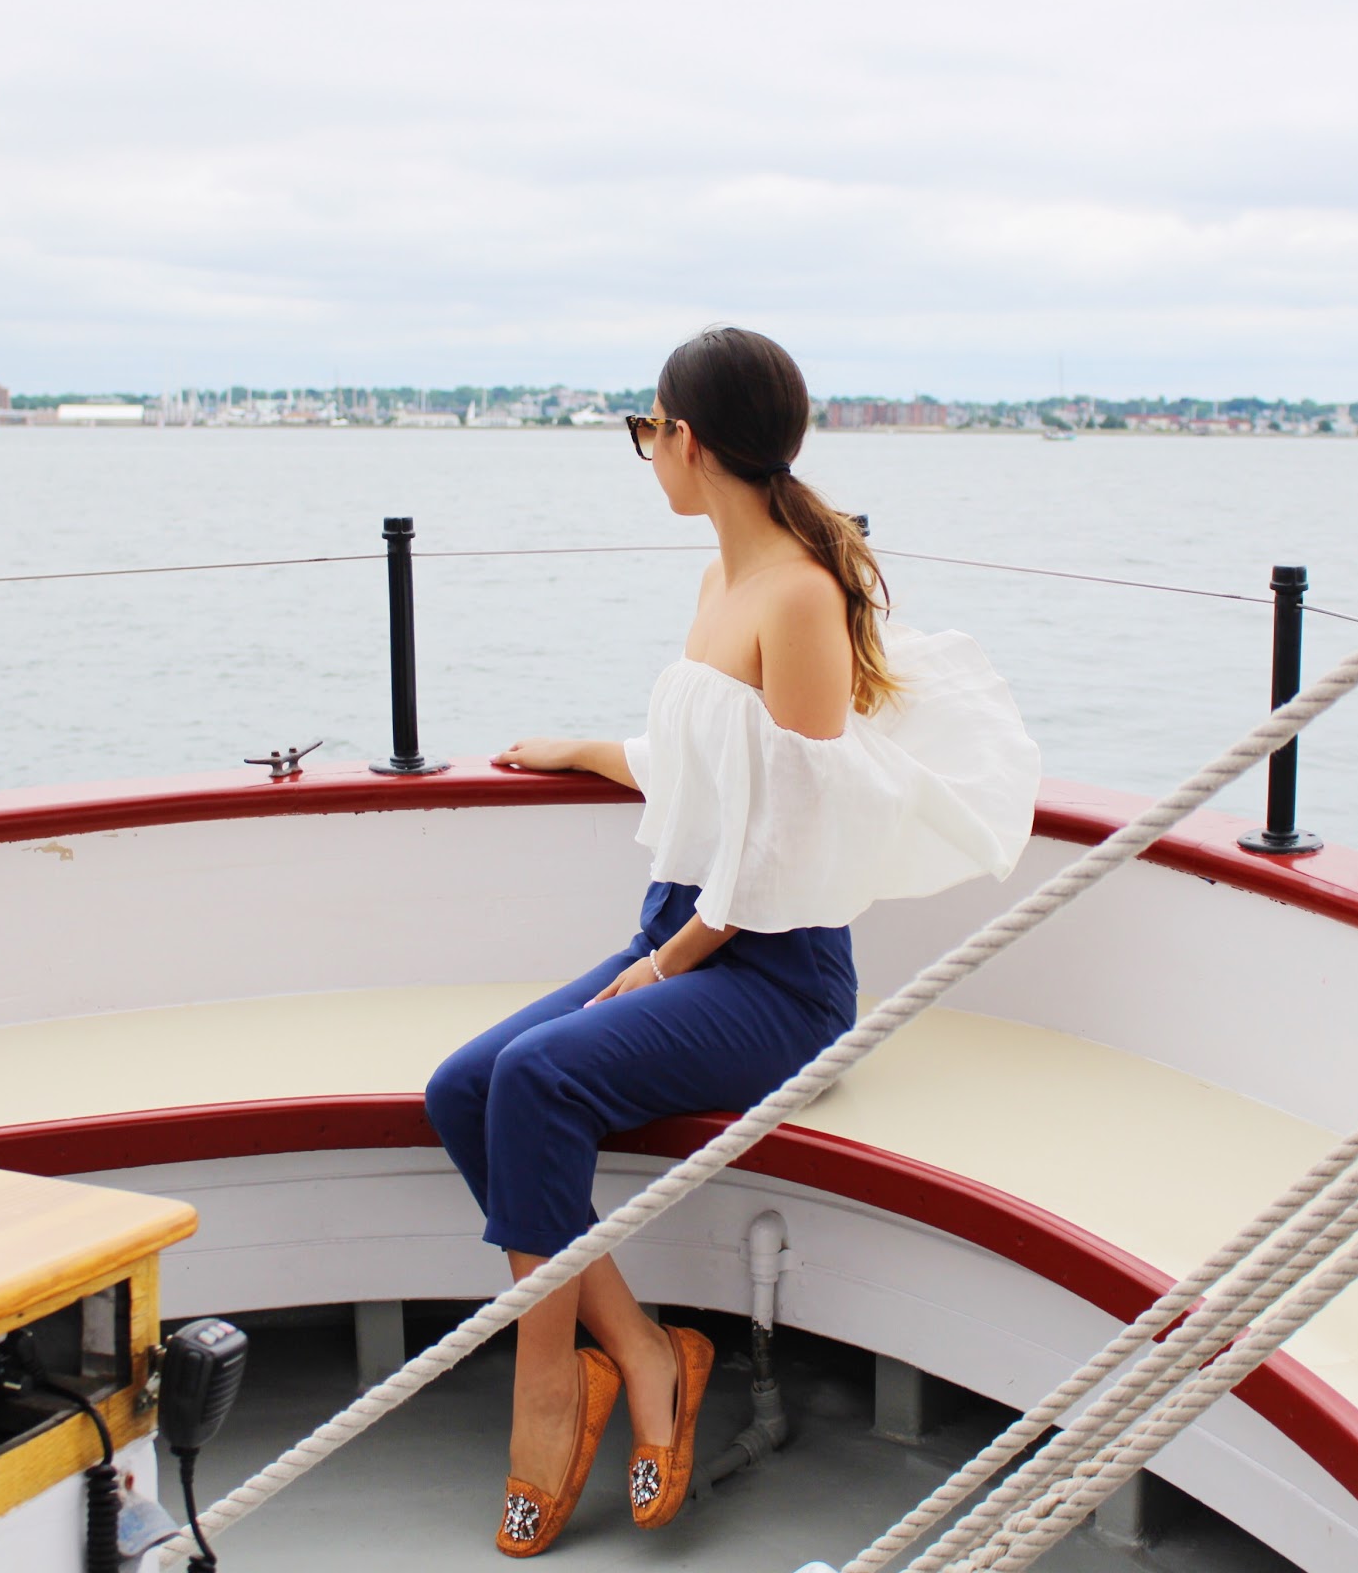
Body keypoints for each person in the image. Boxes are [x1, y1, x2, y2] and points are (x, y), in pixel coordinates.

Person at [425, 326, 1040, 1558]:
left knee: (538, 1078)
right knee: (463, 1087)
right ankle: (641, 1349)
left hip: (776, 974)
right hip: (686, 931)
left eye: (645, 429)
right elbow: (719, 769)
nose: (645, 451)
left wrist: (662, 968)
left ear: (687, 439)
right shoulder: (722, 580)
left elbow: (792, 838)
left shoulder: (802, 594)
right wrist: (584, 750)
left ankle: (548, 1392)